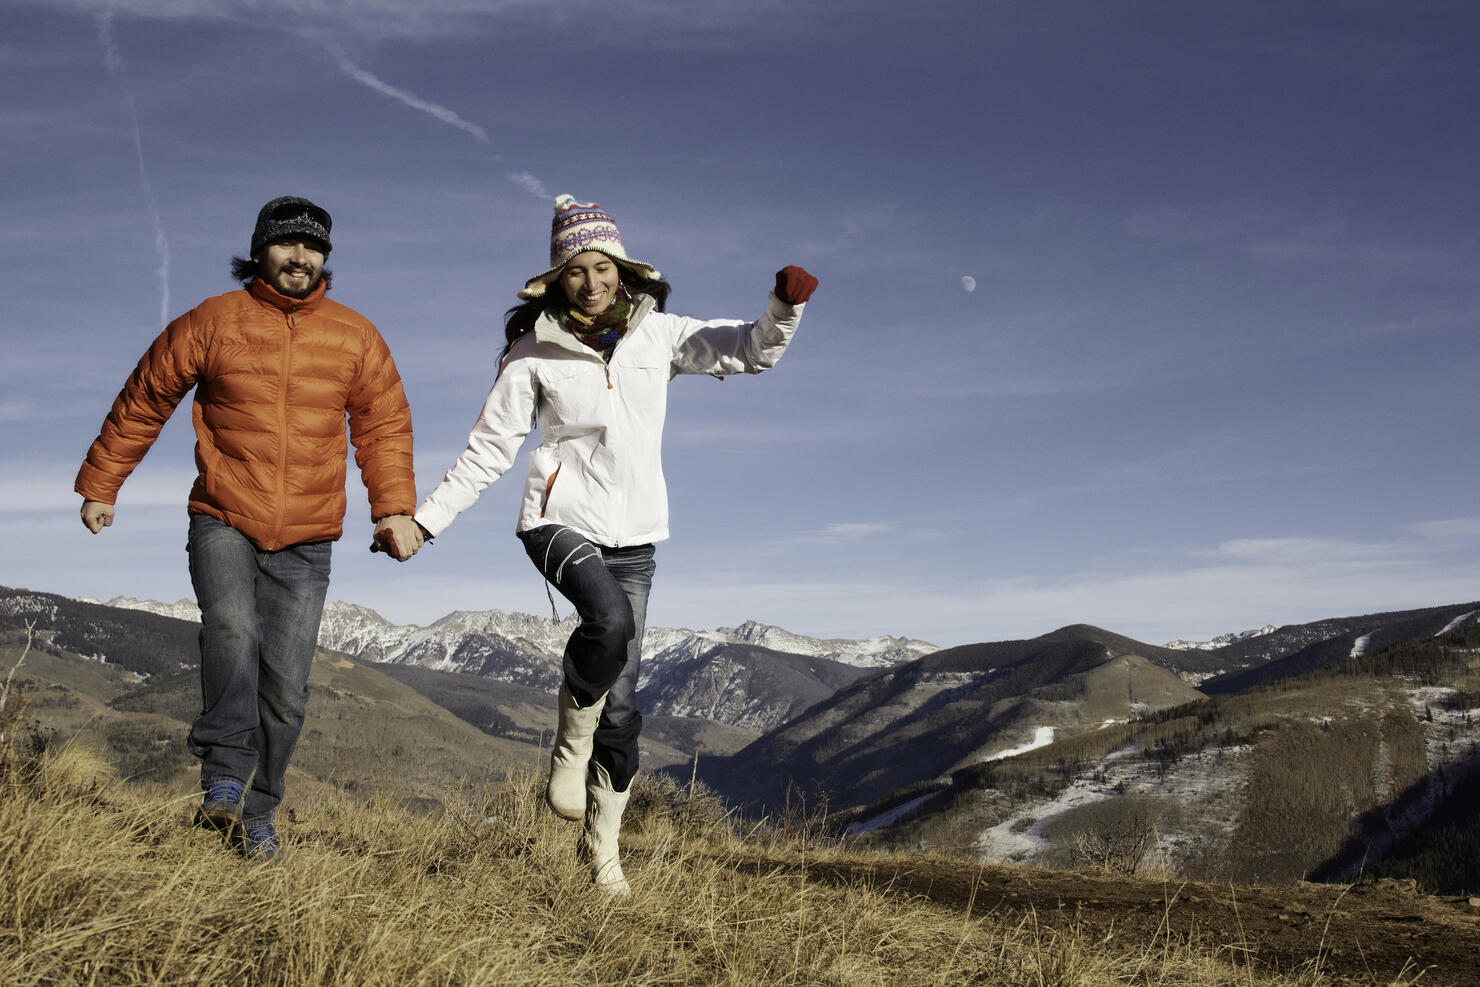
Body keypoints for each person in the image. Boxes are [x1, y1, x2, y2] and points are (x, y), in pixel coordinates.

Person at [411, 195, 818, 894]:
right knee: (609, 619)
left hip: (636, 534)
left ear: (623, 272)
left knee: (624, 709)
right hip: (556, 518)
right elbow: (487, 450)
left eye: (602, 267)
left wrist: (785, 306)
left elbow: (751, 350)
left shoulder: (659, 337)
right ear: (555, 282)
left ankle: (601, 852)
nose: (592, 282)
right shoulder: (531, 352)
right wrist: (425, 520)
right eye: (576, 271)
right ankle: (568, 748)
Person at [76, 196, 426, 861]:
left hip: (309, 533)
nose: (300, 256)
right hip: (224, 516)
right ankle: (223, 779)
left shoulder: (354, 335)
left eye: (312, 247)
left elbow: (383, 425)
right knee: (232, 635)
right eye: (287, 243)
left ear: (325, 257)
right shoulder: (214, 322)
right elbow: (146, 396)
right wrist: (102, 483)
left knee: (287, 688)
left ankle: (258, 812)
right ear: (260, 249)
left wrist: (393, 508)